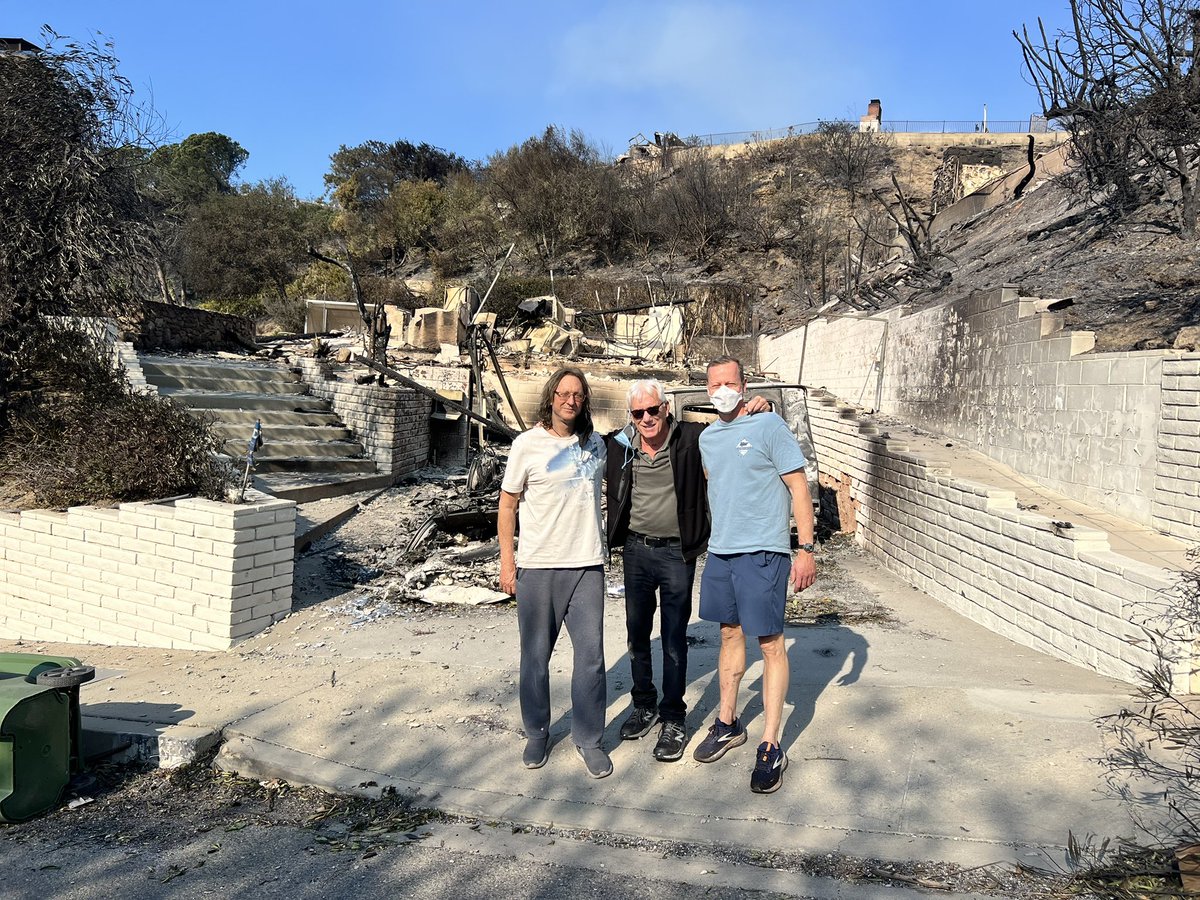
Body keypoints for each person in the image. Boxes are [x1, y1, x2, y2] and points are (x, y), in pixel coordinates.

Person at [605, 380, 769, 762]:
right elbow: (579, 442)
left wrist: (758, 410)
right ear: (631, 417)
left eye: (652, 410)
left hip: (677, 554)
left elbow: (732, 431)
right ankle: (643, 704)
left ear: (666, 408)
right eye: (638, 413)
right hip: (636, 550)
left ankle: (673, 718)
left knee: (674, 637)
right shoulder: (620, 446)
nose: (646, 418)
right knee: (637, 634)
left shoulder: (693, 439)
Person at [693, 356, 817, 794]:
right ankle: (727, 722)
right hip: (722, 553)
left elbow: (799, 485)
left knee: (770, 644)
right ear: (706, 391)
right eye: (714, 384)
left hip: (764, 552)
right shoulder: (708, 438)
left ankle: (771, 743)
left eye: (729, 382)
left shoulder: (769, 426)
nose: (721, 389)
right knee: (728, 635)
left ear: (743, 386)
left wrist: (804, 548)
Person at [498, 367, 611, 778]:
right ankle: (537, 732)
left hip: (586, 566)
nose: (570, 401)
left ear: (584, 401)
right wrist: (507, 562)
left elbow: (648, 431)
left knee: (591, 659)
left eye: (578, 395)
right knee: (535, 658)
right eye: (563, 394)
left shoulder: (596, 444)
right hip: (538, 566)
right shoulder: (527, 445)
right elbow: (507, 505)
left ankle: (589, 739)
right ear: (550, 398)